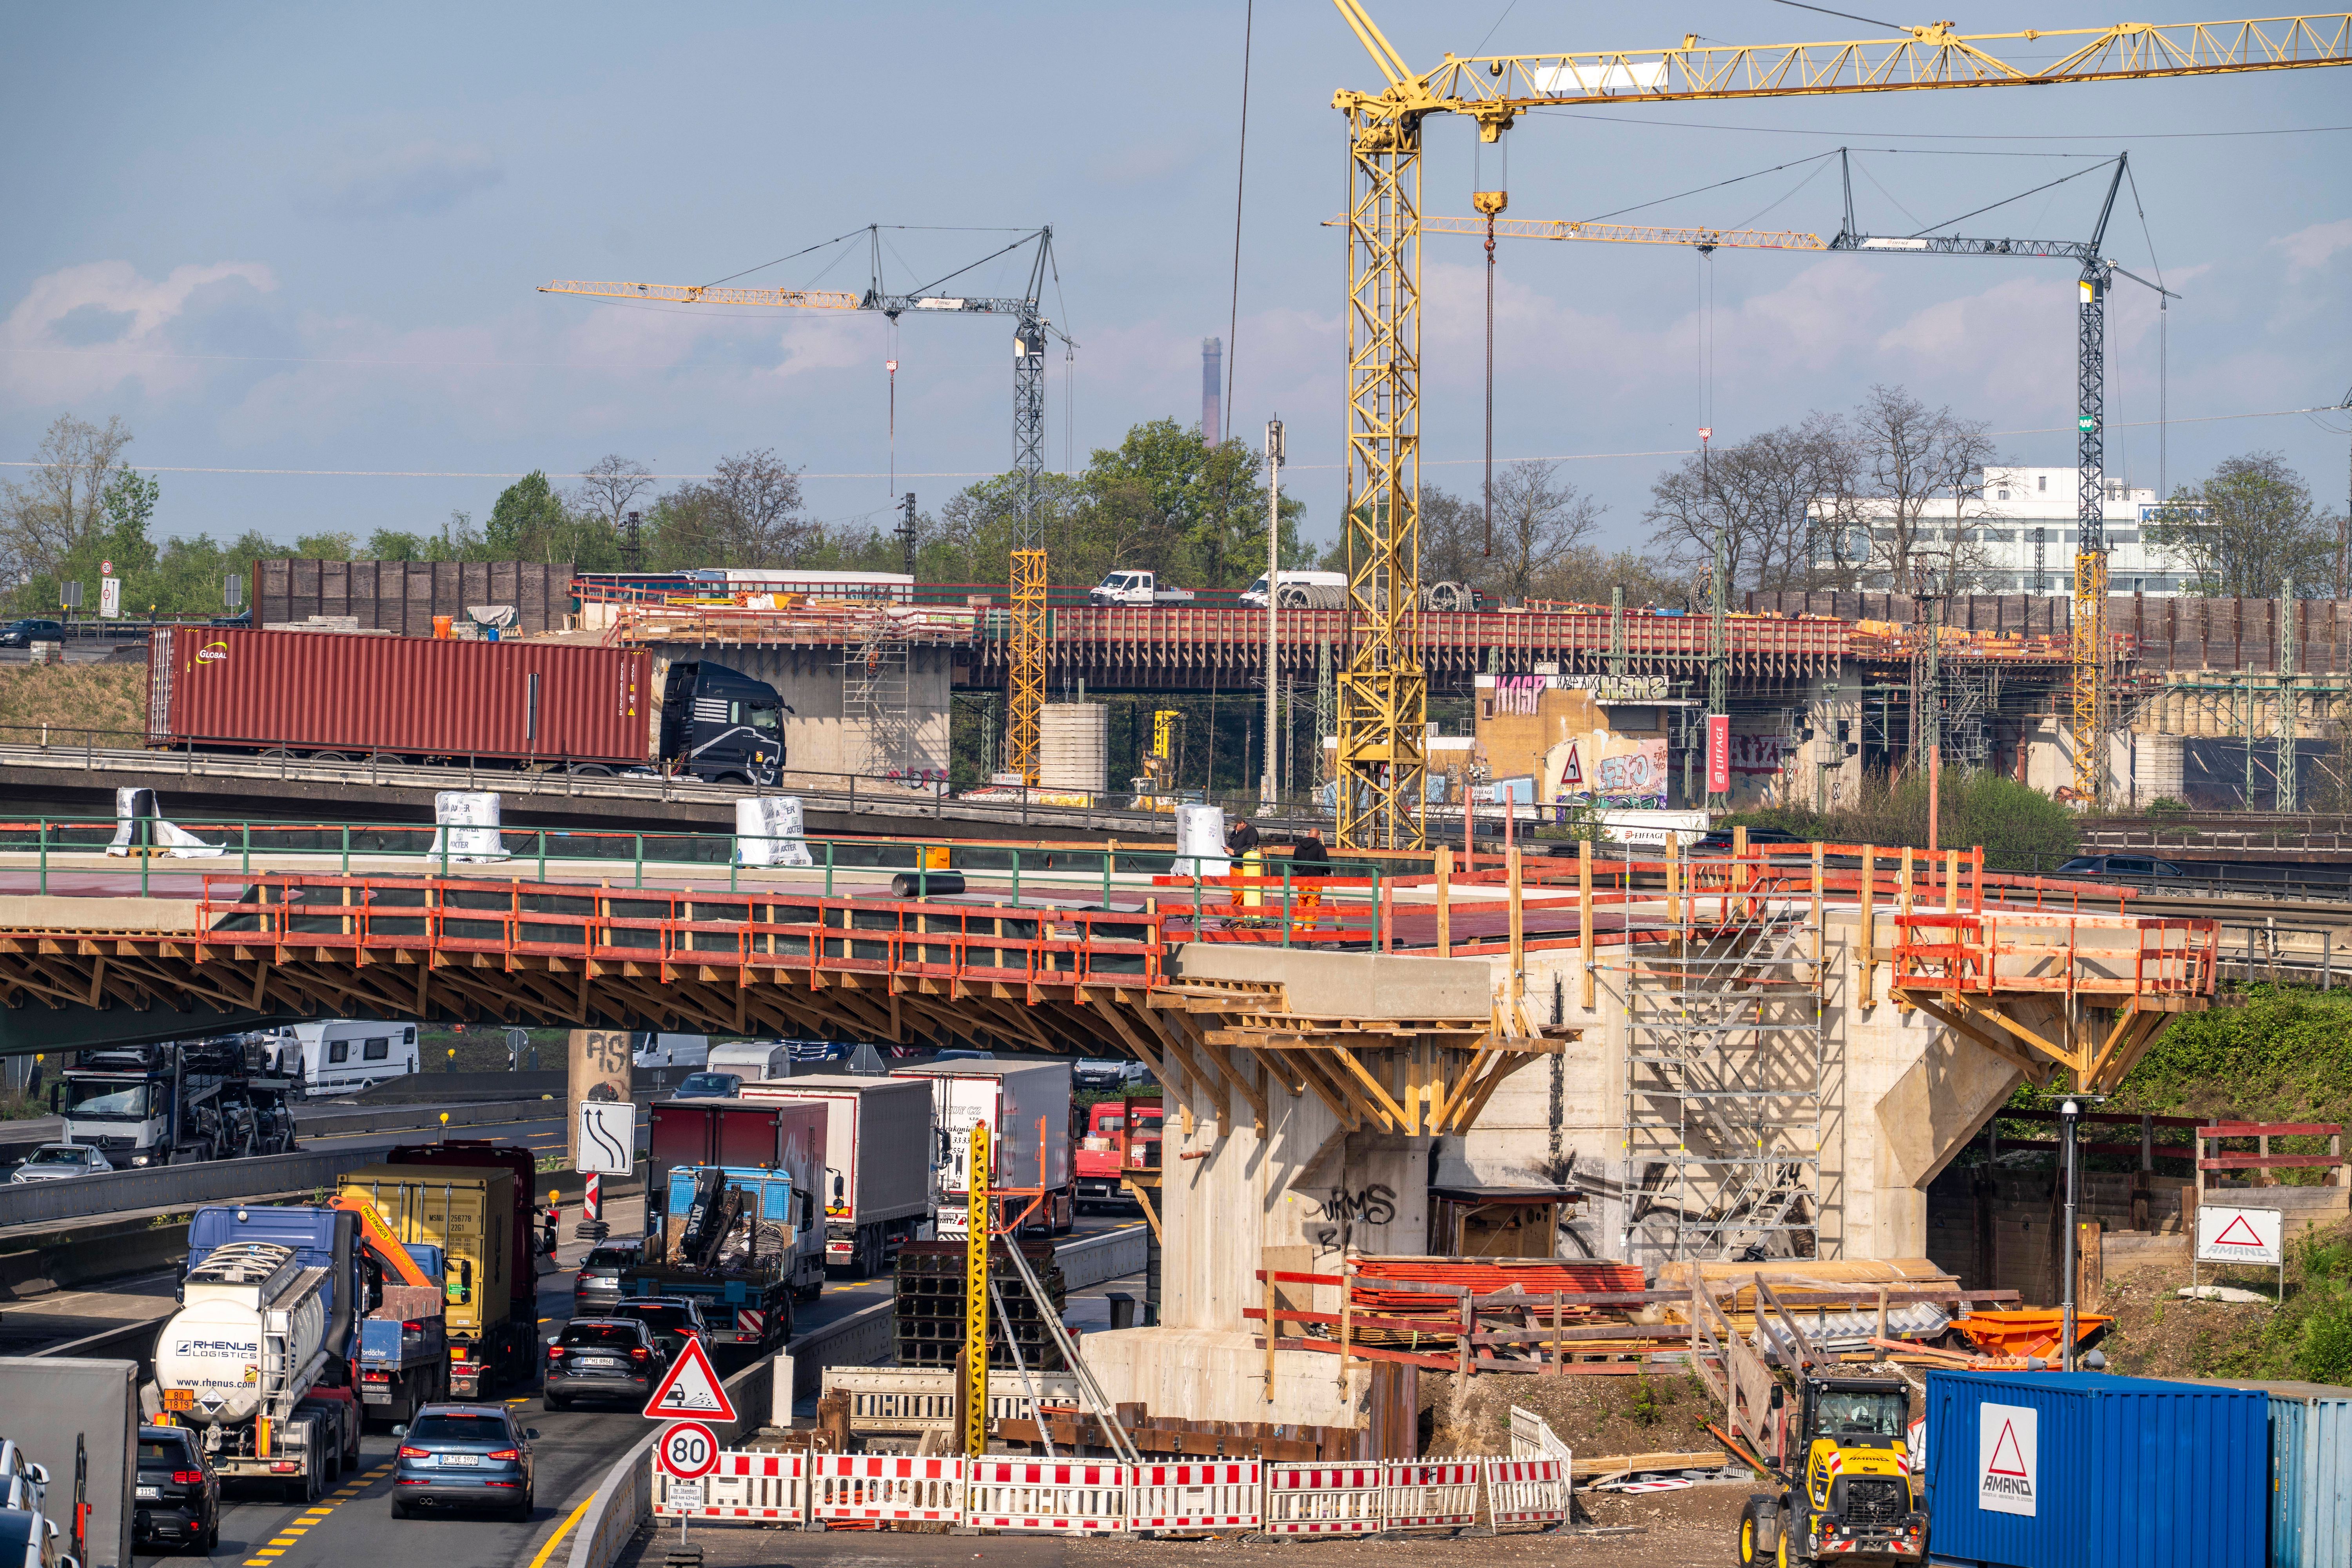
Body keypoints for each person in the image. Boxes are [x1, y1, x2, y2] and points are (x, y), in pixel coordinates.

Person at [1289, 828, 1330, 934]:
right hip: (1315, 883)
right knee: (1312, 909)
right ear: (1318, 837)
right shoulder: (1320, 848)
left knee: (1301, 908)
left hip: (1301, 882)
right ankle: (1308, 937)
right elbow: (1325, 865)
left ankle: (1296, 933)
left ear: (1308, 836)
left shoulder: (1299, 848)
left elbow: (1295, 866)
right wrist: (1330, 873)